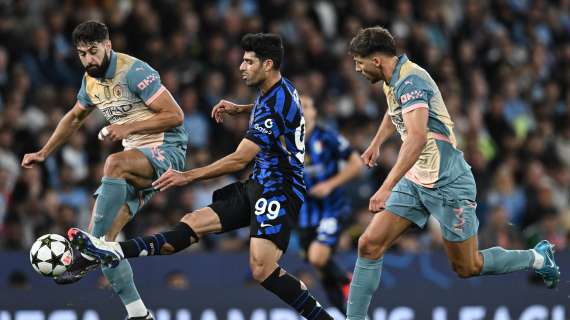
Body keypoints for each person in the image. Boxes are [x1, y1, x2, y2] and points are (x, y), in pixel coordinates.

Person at [68, 33, 334, 320]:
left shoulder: (273, 102)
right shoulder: (278, 90)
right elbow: (282, 113)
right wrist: (242, 109)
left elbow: (239, 159)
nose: (241, 67)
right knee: (192, 224)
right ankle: (111, 249)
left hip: (279, 191)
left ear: (267, 64)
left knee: (262, 270)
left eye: (248, 61)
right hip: (259, 184)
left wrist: (187, 176)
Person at [344, 26, 560, 320]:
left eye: (359, 62)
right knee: (369, 245)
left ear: (377, 60)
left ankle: (537, 257)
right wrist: (377, 142)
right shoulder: (392, 79)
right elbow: (394, 109)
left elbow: (417, 138)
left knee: (467, 266)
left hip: (448, 181)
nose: (357, 68)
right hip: (418, 177)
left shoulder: (411, 81)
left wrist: (385, 187)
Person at [21, 21, 188, 320]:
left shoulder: (135, 71)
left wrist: (126, 127)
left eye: (93, 51)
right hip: (137, 159)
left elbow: (175, 115)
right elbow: (74, 118)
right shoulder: (90, 82)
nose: (88, 59)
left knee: (112, 164)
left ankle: (86, 252)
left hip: (168, 150)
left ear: (108, 46)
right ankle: (138, 312)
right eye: (82, 54)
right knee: (109, 245)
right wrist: (44, 152)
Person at [297, 95, 362, 314]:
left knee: (317, 256)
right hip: (304, 215)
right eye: (298, 107)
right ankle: (345, 312)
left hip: (331, 208)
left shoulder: (327, 137)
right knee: (321, 268)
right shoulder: (286, 142)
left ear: (315, 112)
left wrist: (330, 185)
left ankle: (348, 279)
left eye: (306, 106)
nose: (302, 110)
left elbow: (356, 164)